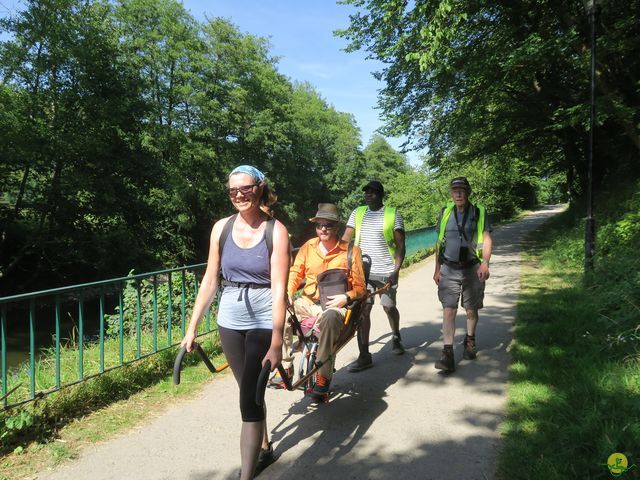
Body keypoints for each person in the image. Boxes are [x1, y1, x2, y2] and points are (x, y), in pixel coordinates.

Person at [181, 165, 289, 479]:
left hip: (262, 318)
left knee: (248, 400)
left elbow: (280, 289)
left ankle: (246, 474)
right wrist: (192, 328)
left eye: (246, 188)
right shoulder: (221, 228)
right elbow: (209, 281)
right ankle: (265, 447)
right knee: (248, 388)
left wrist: (277, 341)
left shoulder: (276, 231)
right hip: (229, 318)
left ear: (260, 188)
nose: (239, 195)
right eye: (233, 191)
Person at [286, 203, 366, 401]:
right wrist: (287, 292)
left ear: (336, 227)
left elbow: (361, 288)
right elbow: (295, 273)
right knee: (281, 311)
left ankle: (323, 374)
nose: (323, 229)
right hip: (308, 303)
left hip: (334, 307)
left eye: (328, 225)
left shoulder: (351, 251)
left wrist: (346, 297)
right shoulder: (308, 247)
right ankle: (285, 366)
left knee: (330, 318)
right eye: (319, 225)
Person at [342, 180, 406, 372]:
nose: (369, 195)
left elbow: (401, 246)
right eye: (367, 192)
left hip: (386, 270)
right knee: (363, 312)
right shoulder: (358, 213)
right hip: (362, 271)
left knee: (388, 306)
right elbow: (346, 239)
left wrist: (395, 271)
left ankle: (396, 335)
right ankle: (364, 355)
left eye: (373, 192)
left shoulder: (393, 214)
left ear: (381, 195)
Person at [433, 176, 493, 373]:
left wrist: (485, 263)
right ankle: (447, 353)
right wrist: (436, 268)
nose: (458, 193)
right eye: (455, 190)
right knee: (448, 310)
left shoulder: (479, 212)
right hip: (449, 268)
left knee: (470, 309)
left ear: (468, 192)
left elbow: (486, 238)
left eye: (462, 190)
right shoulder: (444, 212)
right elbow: (439, 242)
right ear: (451, 193)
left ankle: (469, 340)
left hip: (472, 268)